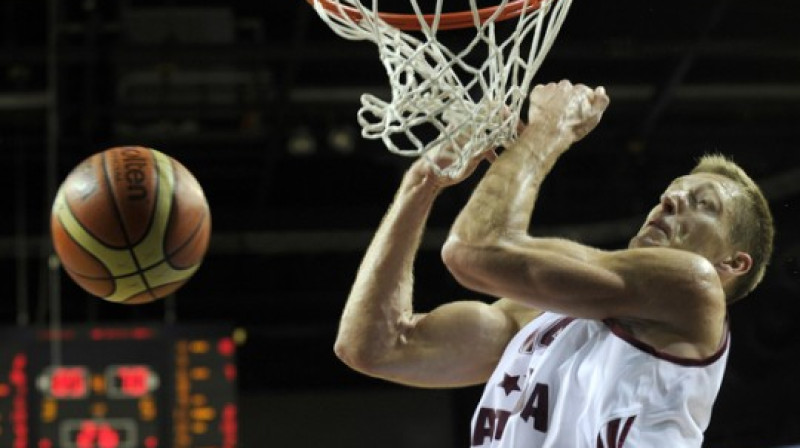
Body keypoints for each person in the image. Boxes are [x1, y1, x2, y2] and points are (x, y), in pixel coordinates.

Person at [333, 80, 774, 447]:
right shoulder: (540, 318)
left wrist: (549, 128)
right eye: (673, 191)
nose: (672, 198)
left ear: (733, 263)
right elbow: (374, 347)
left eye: (704, 205)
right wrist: (421, 185)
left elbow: (474, 251)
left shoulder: (694, 290)